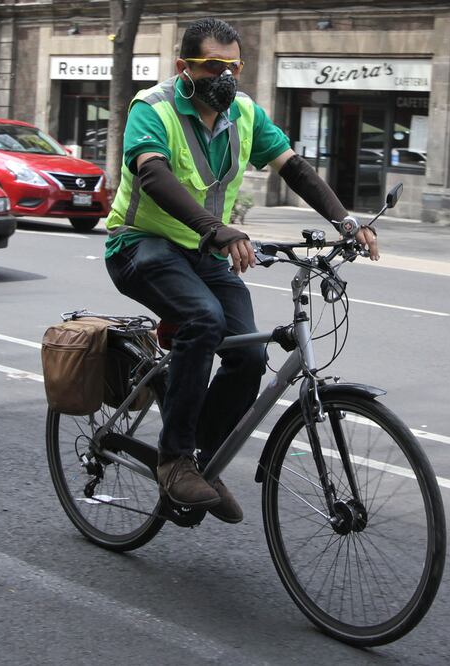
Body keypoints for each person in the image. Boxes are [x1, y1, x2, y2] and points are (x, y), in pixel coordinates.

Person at [104, 18, 379, 524]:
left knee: (250, 357)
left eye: (233, 66)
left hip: (203, 255)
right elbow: (153, 172)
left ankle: (200, 466)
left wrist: (345, 220)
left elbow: (292, 166)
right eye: (213, 66)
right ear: (184, 66)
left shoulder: (244, 113)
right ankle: (174, 461)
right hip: (140, 246)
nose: (225, 76)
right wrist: (219, 229)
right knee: (204, 321)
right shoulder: (154, 107)